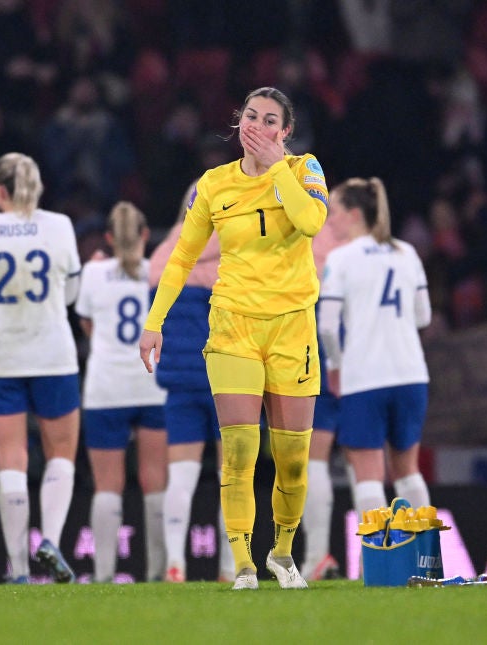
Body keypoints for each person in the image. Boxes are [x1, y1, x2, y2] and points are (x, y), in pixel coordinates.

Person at [139, 87, 329, 590]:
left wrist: (276, 168)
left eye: (270, 120)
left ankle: (283, 554)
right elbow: (181, 257)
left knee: (290, 457)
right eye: (250, 115)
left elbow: (310, 222)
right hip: (233, 325)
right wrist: (154, 321)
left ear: (285, 132)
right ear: (237, 121)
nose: (257, 125)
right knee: (240, 449)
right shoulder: (214, 184)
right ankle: (243, 562)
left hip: (292, 326)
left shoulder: (306, 169)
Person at [0, 152, 82, 584]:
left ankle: (17, 565)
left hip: (1, 356)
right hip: (53, 352)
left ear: (0, 190)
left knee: (10, 459)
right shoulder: (61, 226)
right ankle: (50, 540)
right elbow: (71, 294)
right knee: (61, 454)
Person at [316, 177, 433, 531]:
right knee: (407, 470)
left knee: (367, 473)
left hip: (365, 377)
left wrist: (335, 365)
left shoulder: (341, 258)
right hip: (411, 374)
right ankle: (425, 558)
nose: (329, 221)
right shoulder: (406, 252)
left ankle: (380, 563)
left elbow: (326, 326)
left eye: (333, 212)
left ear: (354, 214)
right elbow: (424, 316)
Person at [75, 201, 167, 583]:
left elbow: (87, 326)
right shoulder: (157, 273)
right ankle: (161, 572)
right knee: (155, 481)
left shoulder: (93, 273)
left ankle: (103, 574)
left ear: (109, 238)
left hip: (106, 388)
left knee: (107, 485)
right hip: (151, 384)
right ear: (146, 235)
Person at [148, 183, 235, 583]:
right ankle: (229, 565)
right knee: (229, 475)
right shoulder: (233, 253)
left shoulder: (164, 256)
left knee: (180, 475)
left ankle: (176, 562)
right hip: (225, 380)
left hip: (180, 381)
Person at [299, 185, 354, 583]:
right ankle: (376, 559)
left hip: (318, 336)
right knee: (363, 457)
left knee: (313, 456)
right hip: (366, 349)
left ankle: (318, 556)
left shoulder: (307, 227)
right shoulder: (365, 242)